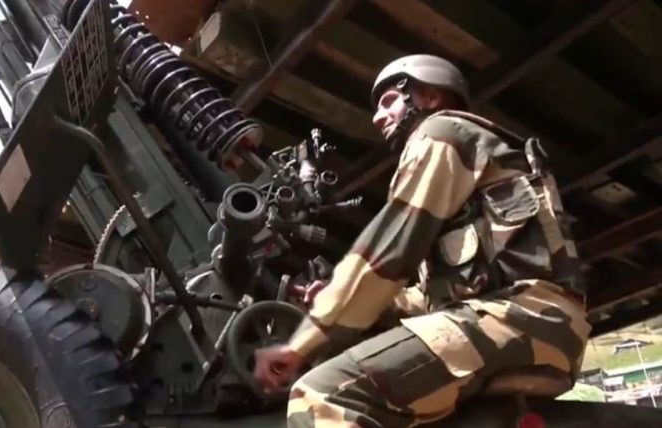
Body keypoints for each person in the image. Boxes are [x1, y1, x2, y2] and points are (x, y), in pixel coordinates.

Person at [253, 54, 591, 427]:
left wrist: (306, 338)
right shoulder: (470, 158)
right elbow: (433, 295)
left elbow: (389, 251)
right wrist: (374, 307)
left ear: (429, 96)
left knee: (321, 396)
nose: (378, 117)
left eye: (388, 102)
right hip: (538, 330)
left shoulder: (441, 133)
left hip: (518, 319)